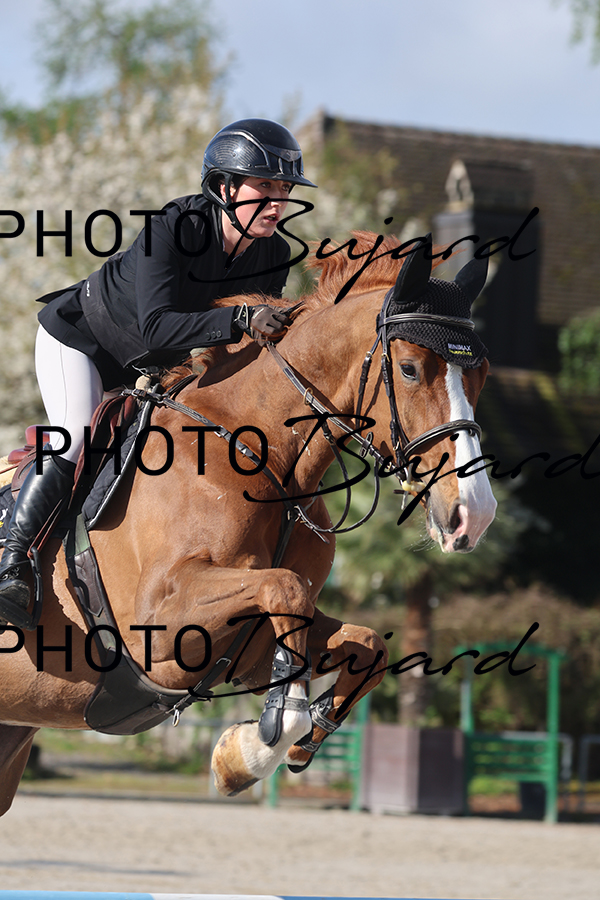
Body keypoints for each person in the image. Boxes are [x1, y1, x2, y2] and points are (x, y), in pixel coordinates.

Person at [0, 118, 317, 629]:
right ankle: (11, 565)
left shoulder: (274, 253)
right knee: (77, 434)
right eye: (265, 187)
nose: (278, 202)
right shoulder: (173, 228)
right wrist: (240, 318)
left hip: (146, 369)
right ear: (224, 187)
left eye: (285, 190)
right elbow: (155, 327)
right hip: (81, 342)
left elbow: (241, 345)